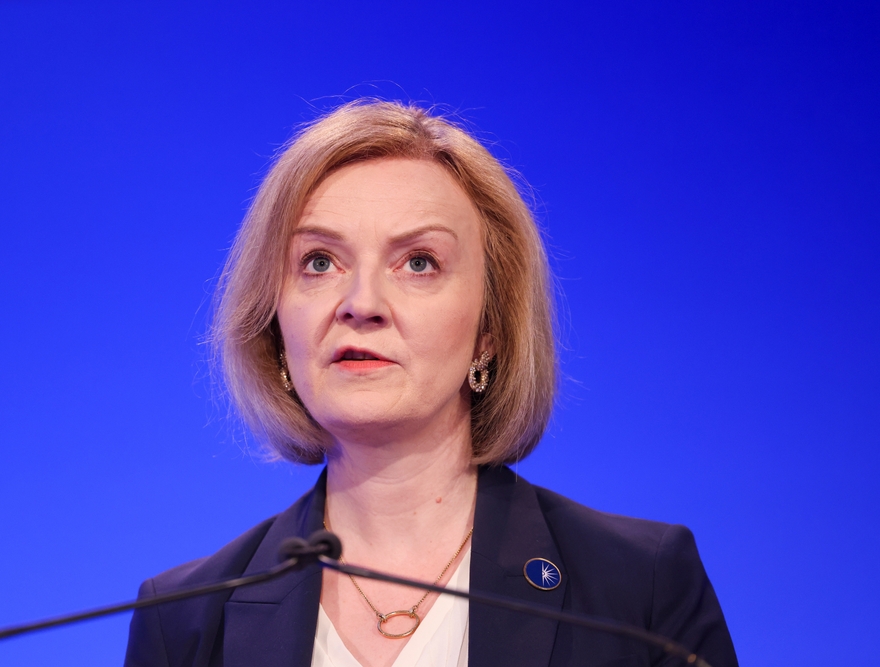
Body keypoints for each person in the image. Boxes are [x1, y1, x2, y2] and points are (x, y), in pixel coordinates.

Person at [123, 100, 738, 667]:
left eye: (418, 262)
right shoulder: (185, 623)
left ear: (489, 330)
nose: (360, 303)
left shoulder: (640, 591)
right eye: (319, 261)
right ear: (276, 325)